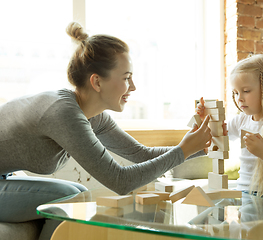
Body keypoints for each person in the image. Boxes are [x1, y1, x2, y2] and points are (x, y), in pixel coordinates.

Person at [0, 22, 212, 240]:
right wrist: (183, 151)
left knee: (78, 193)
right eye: (126, 77)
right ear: (97, 81)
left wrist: (201, 147)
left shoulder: (92, 116)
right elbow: (121, 181)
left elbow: (140, 154)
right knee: (73, 196)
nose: (133, 86)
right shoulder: (63, 113)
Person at [197, 54, 263, 205]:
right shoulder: (242, 120)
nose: (239, 98)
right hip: (244, 198)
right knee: (204, 206)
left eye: (246, 91)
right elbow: (212, 146)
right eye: (235, 93)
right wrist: (206, 121)